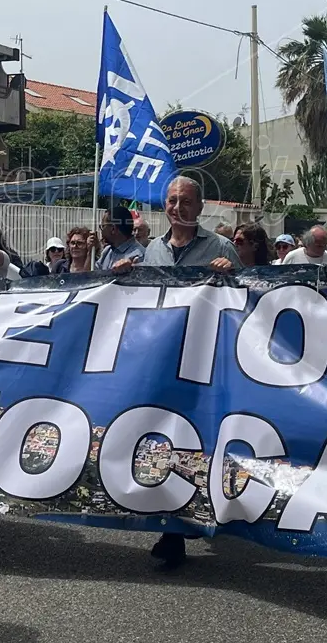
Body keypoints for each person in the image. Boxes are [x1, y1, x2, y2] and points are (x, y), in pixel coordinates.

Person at [112, 175, 236, 569]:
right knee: (167, 437)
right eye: (170, 201)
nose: (177, 207)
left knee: (200, 440)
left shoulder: (221, 247)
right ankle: (173, 527)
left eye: (185, 201)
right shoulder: (151, 253)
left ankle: (198, 514)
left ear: (200, 208)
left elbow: (248, 297)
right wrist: (118, 278)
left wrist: (230, 274)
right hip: (165, 364)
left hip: (207, 365)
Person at [96, 205, 146, 271]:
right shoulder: (107, 251)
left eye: (102, 226)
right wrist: (90, 252)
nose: (101, 231)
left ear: (113, 229)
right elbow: (93, 276)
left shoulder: (138, 256)